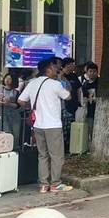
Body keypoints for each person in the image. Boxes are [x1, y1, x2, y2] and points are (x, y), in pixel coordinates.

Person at [18, 59, 73, 193]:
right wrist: (61, 80)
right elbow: (68, 97)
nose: (57, 69)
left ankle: (43, 184)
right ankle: (55, 184)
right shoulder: (55, 84)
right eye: (54, 67)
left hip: (38, 125)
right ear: (48, 68)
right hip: (53, 125)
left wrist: (33, 107)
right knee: (56, 156)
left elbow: (20, 100)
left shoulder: (32, 83)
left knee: (42, 155)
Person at [0, 73, 22, 149]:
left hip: (14, 115)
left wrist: (9, 104)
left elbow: (18, 105)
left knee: (15, 134)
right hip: (2, 114)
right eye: (6, 78)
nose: (7, 80)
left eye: (10, 78)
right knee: (6, 132)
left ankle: (14, 149)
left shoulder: (16, 92)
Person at [80, 62, 99, 141]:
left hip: (99, 111)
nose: (92, 73)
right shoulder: (85, 84)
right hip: (90, 111)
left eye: (94, 71)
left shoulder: (100, 82)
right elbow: (84, 97)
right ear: (87, 72)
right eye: (90, 71)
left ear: (97, 72)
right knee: (90, 129)